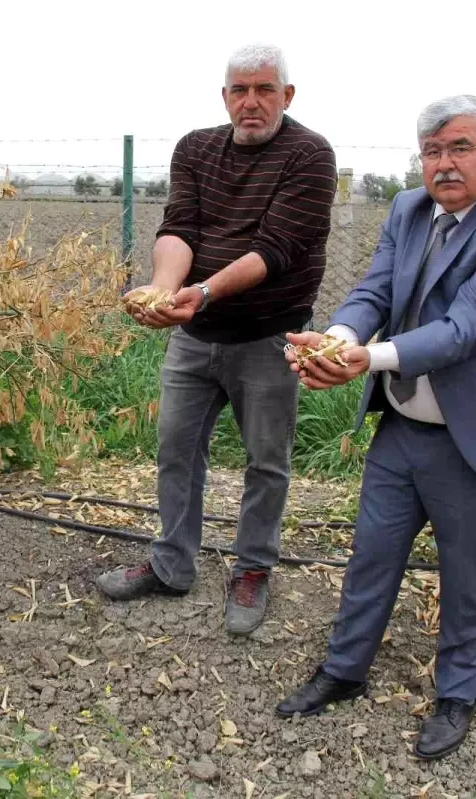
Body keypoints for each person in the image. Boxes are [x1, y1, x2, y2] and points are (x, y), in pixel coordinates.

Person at [275, 95, 476, 760]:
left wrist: (364, 359)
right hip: (404, 426)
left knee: (468, 575)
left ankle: (456, 694)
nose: (444, 163)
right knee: (371, 554)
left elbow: (468, 326)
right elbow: (376, 289)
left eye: (459, 147)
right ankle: (344, 670)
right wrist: (339, 336)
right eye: (432, 151)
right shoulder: (407, 209)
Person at [95, 43, 337, 635]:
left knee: (267, 461)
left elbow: (276, 249)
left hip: (267, 338)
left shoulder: (309, 154)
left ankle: (253, 569)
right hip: (195, 338)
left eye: (264, 89)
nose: (250, 102)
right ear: (224, 96)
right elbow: (180, 227)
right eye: (239, 90)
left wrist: (199, 294)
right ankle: (172, 563)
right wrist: (164, 290)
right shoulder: (196, 148)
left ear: (288, 95)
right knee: (177, 452)